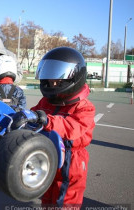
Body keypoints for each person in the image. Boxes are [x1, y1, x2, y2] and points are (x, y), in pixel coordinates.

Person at [29, 47, 96, 207]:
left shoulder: (84, 107)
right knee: (46, 196)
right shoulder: (46, 102)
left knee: (66, 202)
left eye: (57, 80)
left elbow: (71, 127)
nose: (52, 83)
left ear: (74, 76)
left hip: (71, 161)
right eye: (50, 79)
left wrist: (46, 120)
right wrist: (25, 117)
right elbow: (34, 115)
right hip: (49, 154)